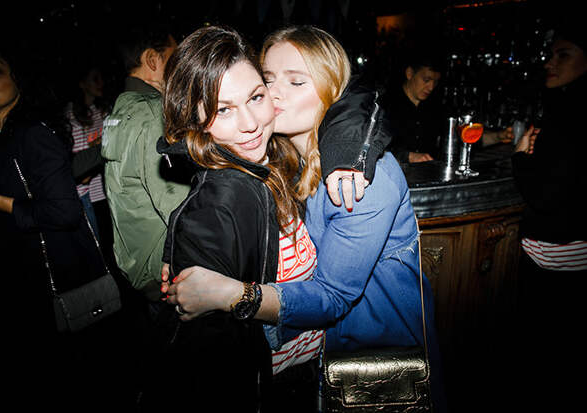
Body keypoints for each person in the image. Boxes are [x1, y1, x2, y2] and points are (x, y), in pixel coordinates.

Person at [163, 25, 446, 412]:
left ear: (333, 92)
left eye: (296, 81)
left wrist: (231, 294)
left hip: (373, 361)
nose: (275, 94)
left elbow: (333, 297)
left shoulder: (361, 179)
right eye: (268, 80)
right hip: (317, 365)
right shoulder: (283, 159)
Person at [141, 25, 306, 412]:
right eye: (223, 110)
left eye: (255, 97)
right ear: (194, 121)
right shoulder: (221, 202)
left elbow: (345, 95)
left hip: (300, 375)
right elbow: (214, 363)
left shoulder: (274, 161)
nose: (249, 123)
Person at [0, 39, 120, 410]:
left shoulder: (30, 133)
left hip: (48, 278)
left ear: (18, 77)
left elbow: (64, 212)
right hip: (17, 272)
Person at [510, 13, 587, 410]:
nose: (549, 63)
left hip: (555, 253)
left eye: (563, 54)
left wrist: (520, 157)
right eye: (550, 54)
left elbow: (545, 196)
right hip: (575, 250)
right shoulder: (569, 110)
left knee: (542, 360)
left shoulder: (569, 117)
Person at [102, 24, 188, 303]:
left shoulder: (120, 110)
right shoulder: (153, 112)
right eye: (175, 57)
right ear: (153, 60)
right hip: (167, 270)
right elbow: (180, 211)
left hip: (137, 263)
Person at [385, 45, 512, 164]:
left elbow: (463, 138)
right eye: (426, 80)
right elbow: (375, 148)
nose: (431, 87)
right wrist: (407, 156)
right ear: (409, 73)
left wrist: (498, 137)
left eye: (435, 82)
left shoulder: (435, 108)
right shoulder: (386, 105)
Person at [65, 63, 110, 242]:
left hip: (108, 190)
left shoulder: (102, 110)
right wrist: (100, 147)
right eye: (94, 79)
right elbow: (82, 171)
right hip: (89, 196)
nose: (100, 83)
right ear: (82, 84)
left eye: (101, 78)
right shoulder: (72, 117)